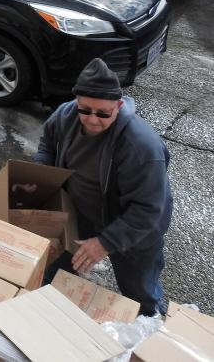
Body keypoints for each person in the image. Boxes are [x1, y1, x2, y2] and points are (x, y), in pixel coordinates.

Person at [34, 58, 173, 316]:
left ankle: (151, 326)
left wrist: (105, 242)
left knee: (140, 291)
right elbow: (48, 146)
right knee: (53, 270)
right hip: (82, 212)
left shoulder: (141, 146)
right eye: (85, 110)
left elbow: (147, 210)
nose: (92, 119)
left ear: (118, 106)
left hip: (134, 227)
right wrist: (42, 175)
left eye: (103, 113)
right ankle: (45, 314)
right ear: (76, 101)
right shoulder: (65, 115)